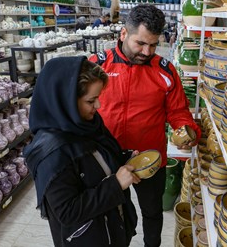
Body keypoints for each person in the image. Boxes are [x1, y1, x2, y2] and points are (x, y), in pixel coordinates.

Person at [89, 4, 201, 247]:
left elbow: (178, 111)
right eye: (140, 43)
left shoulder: (165, 70)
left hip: (150, 159)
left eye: (153, 44)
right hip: (107, 159)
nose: (147, 51)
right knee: (112, 211)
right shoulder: (97, 66)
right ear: (123, 34)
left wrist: (187, 129)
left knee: (152, 212)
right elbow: (80, 109)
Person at [23, 56, 141, 246]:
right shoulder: (52, 152)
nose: (98, 106)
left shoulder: (85, 124)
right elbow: (67, 211)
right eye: (91, 100)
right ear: (65, 100)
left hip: (111, 227)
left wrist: (124, 159)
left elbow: (96, 159)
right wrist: (116, 184)